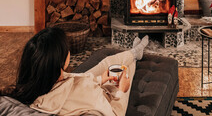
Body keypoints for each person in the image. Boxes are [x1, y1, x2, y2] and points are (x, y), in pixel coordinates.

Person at [9, 27, 149, 116]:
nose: (69, 51)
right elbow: (112, 113)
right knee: (125, 71)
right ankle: (135, 56)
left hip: (80, 85)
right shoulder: (87, 93)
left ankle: (134, 52)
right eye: (66, 49)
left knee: (106, 64)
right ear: (61, 61)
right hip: (103, 101)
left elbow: (70, 84)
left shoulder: (37, 83)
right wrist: (121, 91)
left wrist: (100, 79)